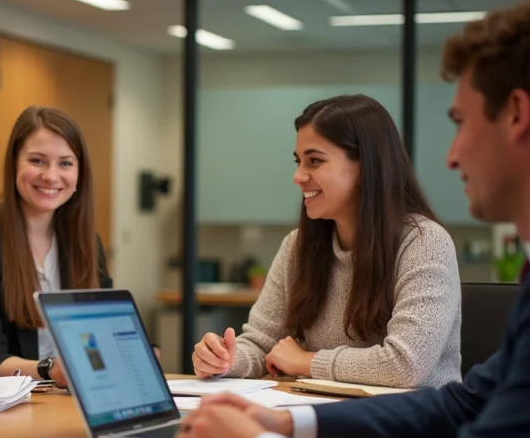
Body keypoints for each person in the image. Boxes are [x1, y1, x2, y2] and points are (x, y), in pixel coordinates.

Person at [178, 0, 530, 438]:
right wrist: (284, 423)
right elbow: (463, 406)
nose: (450, 155)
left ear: (516, 114)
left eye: (460, 122)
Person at [193, 94, 461, 389]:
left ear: (366, 167)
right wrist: (226, 359)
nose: (298, 176)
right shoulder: (297, 246)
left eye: (315, 161)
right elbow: (261, 345)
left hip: (416, 424)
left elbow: (405, 365)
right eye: (298, 161)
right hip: (329, 417)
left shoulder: (425, 242)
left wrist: (305, 361)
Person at [0, 106, 111, 385]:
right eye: (38, 161)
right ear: (15, 162)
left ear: (80, 172)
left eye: (65, 163)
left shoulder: (87, 244)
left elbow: (103, 332)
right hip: (9, 409)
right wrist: (50, 370)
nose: (51, 176)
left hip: (78, 400)